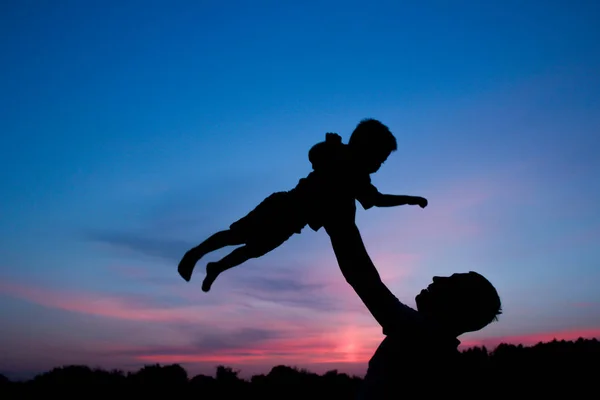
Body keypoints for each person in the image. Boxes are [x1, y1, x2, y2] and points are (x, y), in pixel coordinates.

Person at [178, 118, 428, 292]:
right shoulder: (340, 155)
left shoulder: (359, 179)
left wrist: (410, 200)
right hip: (283, 206)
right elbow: (314, 155)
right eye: (379, 158)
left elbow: (374, 200)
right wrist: (328, 146)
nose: (380, 164)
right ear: (365, 149)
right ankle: (195, 253)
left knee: (253, 249)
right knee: (238, 236)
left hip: (292, 224)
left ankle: (217, 267)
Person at [322, 200, 502, 398]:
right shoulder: (445, 356)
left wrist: (340, 223)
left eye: (450, 282)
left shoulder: (422, 337)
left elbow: (364, 280)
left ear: (454, 306)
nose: (437, 278)